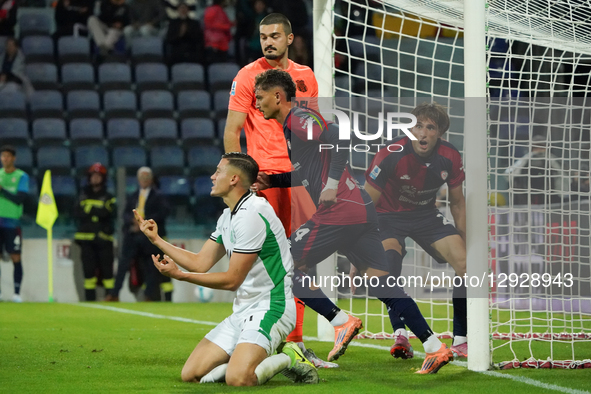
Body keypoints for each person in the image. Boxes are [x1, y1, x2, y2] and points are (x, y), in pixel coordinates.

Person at [253, 69, 454, 374]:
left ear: (278, 96)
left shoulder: (297, 118)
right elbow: (306, 172)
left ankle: (340, 320)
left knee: (284, 266)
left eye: (260, 96)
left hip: (341, 210)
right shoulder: (290, 127)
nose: (257, 103)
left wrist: (332, 183)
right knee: (383, 283)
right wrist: (274, 181)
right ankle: (435, 347)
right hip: (358, 210)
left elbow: (338, 137)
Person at [135, 152, 318, 385]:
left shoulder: (252, 214)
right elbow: (200, 262)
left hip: (271, 308)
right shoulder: (228, 216)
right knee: (191, 374)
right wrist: (157, 240)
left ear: (233, 179)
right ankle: (244, 358)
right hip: (242, 310)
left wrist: (180, 276)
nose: (212, 177)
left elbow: (232, 280)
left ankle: (289, 358)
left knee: (239, 378)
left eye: (218, 171)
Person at [223, 13, 335, 368]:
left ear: (289, 39)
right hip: (265, 180)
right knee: (268, 263)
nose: (267, 41)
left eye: (274, 35)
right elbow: (232, 131)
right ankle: (254, 336)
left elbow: (312, 130)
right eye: (262, 36)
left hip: (299, 181)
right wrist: (236, 175)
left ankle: (297, 342)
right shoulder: (246, 76)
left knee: (302, 258)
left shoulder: (306, 77)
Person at [362, 102, 469, 359]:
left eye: (429, 127)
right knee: (388, 269)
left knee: (466, 264)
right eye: (417, 125)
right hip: (387, 216)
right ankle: (401, 333)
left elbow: (457, 202)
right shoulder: (390, 154)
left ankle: (461, 338)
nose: (422, 133)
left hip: (425, 215)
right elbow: (365, 207)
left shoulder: (450, 156)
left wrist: (463, 240)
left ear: (439, 132)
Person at [111, 167, 173, 302]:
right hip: (133, 235)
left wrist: (144, 222)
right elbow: (126, 214)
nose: (144, 181)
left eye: (146, 178)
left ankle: (148, 295)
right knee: (123, 264)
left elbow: (163, 213)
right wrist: (132, 222)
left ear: (151, 179)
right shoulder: (133, 196)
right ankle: (114, 293)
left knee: (151, 265)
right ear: (138, 180)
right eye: (141, 178)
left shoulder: (159, 196)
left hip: (149, 236)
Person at [73, 163, 116, 301]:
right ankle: (90, 301)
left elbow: (108, 213)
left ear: (103, 178)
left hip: (104, 239)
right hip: (86, 240)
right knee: (88, 273)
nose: (95, 179)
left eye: (98, 176)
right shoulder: (82, 194)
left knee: (108, 272)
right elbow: (76, 213)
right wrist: (97, 212)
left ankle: (110, 298)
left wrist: (90, 210)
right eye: (93, 176)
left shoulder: (108, 196)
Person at [0, 145, 29, 302]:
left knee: (15, 257)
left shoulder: (21, 176)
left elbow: (19, 199)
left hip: (12, 222)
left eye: (8, 156)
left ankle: (16, 293)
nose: (5, 159)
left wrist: (2, 190)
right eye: (3, 156)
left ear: (13, 158)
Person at [505, 134, 568, 205]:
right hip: (527, 193)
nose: (539, 150)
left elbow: (564, 176)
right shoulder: (525, 160)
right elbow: (509, 174)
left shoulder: (553, 160)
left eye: (542, 147)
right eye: (536, 147)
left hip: (550, 195)